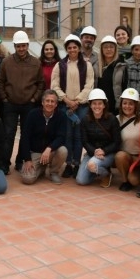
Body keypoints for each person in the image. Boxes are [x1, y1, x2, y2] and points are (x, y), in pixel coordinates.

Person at [0, 30, 44, 173]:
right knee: (8, 135)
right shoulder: (7, 62)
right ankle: (5, 163)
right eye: (18, 46)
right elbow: (0, 81)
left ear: (27, 45)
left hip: (28, 104)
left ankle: (20, 161)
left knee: (25, 134)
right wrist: (4, 98)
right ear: (14, 46)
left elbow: (40, 83)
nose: (21, 49)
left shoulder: (36, 63)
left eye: (23, 45)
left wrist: (35, 98)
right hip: (10, 104)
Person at [51, 34, 94, 178]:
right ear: (66, 49)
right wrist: (66, 100)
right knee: (67, 135)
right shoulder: (60, 65)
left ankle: (77, 163)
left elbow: (89, 85)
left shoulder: (86, 65)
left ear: (79, 48)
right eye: (69, 47)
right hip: (65, 106)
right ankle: (68, 164)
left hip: (81, 107)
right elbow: (54, 85)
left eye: (75, 47)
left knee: (78, 136)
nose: (72, 49)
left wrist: (77, 101)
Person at [18, 89, 68, 185]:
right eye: (47, 101)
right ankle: (41, 168)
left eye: (52, 101)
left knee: (63, 150)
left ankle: (54, 172)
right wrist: (27, 159)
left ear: (56, 104)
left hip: (51, 152)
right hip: (35, 152)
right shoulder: (33, 114)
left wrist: (49, 148)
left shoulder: (61, 116)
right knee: (27, 179)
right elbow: (25, 137)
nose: (50, 103)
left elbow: (61, 137)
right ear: (42, 102)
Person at [75, 89, 121, 187]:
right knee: (81, 180)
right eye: (94, 103)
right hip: (92, 153)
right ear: (90, 105)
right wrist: (94, 151)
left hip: (108, 153)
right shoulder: (85, 120)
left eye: (100, 103)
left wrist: (104, 151)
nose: (97, 106)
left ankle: (106, 174)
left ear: (104, 105)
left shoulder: (112, 119)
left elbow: (117, 142)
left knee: (92, 164)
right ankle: (98, 170)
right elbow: (85, 141)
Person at [114, 88, 140, 191]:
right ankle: (124, 180)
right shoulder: (117, 119)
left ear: (136, 105)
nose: (127, 106)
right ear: (121, 104)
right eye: (125, 103)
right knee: (119, 156)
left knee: (135, 181)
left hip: (139, 158)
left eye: (131, 104)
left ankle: (133, 175)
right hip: (125, 156)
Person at [96, 35, 126, 114]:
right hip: (99, 107)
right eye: (105, 47)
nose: (108, 49)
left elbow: (125, 86)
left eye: (111, 47)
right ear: (101, 49)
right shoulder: (96, 66)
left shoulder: (122, 66)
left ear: (115, 49)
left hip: (115, 107)